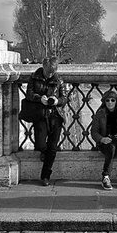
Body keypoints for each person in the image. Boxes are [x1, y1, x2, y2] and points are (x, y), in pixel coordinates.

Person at [25, 56, 69, 186]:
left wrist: (57, 101)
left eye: (52, 72)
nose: (50, 74)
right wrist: (39, 98)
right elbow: (29, 94)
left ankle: (45, 176)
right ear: (43, 67)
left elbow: (65, 98)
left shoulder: (59, 79)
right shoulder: (34, 77)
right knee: (40, 144)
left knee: (53, 147)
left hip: (56, 115)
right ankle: (43, 152)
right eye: (48, 71)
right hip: (40, 115)